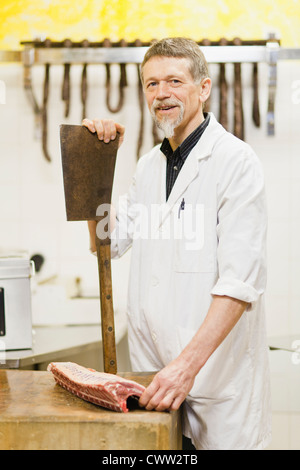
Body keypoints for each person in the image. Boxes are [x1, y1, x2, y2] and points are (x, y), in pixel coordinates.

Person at [83, 37, 271, 450]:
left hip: (212, 382)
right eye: (151, 84)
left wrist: (185, 368)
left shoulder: (235, 162)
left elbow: (239, 284)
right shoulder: (149, 165)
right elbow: (109, 242)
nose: (161, 93)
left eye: (173, 80)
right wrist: (95, 167)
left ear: (203, 88)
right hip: (155, 379)